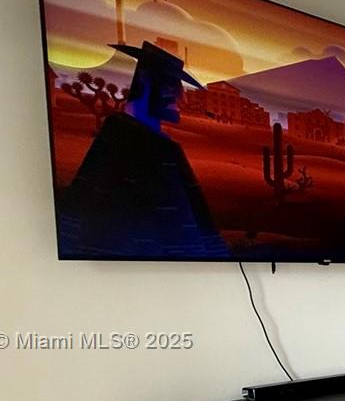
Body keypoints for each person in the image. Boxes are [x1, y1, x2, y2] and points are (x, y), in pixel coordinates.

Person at [57, 40, 229, 258]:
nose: (179, 98)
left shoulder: (164, 147)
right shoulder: (120, 139)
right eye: (171, 87)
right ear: (147, 81)